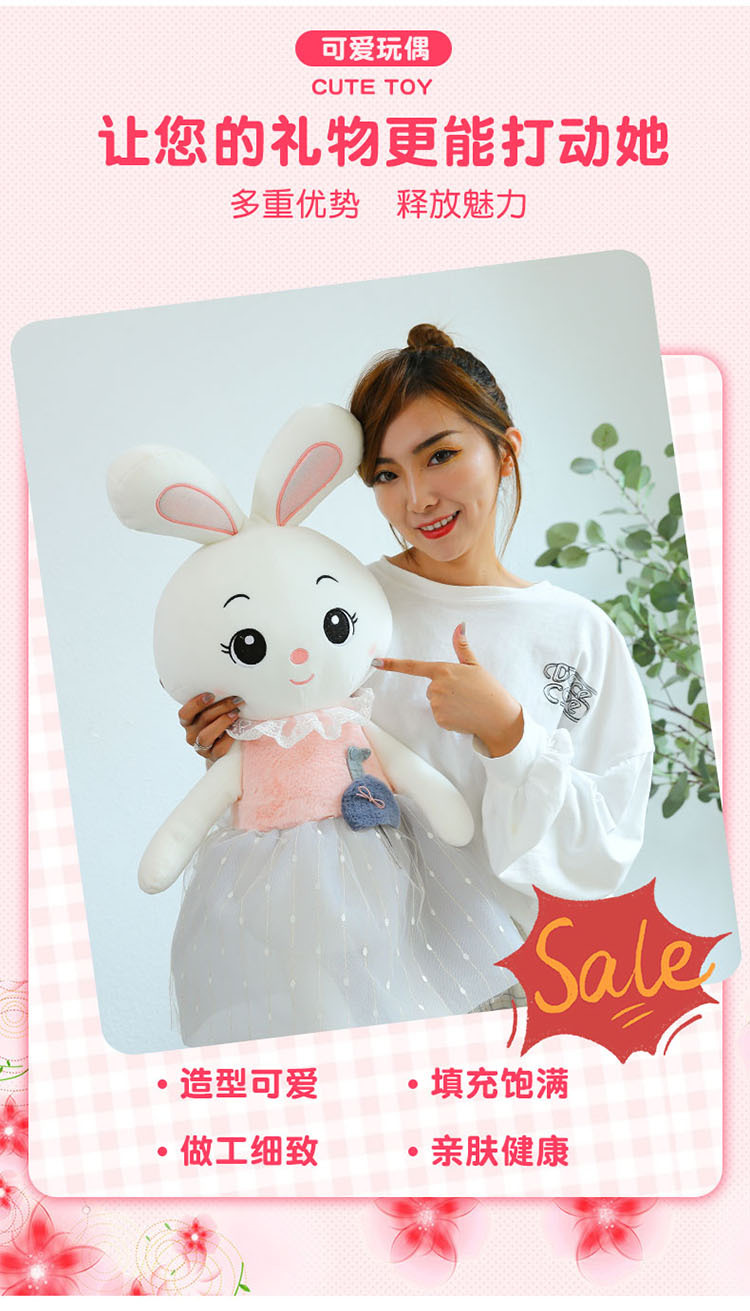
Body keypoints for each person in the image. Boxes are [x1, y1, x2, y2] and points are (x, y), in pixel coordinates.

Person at [180, 324, 654, 992]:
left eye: (440, 455)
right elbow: (305, 783)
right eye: (386, 474)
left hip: (532, 977)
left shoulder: (580, 633)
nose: (417, 498)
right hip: (373, 976)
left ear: (505, 451)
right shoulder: (344, 611)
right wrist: (242, 747)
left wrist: (508, 731)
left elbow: (607, 845)